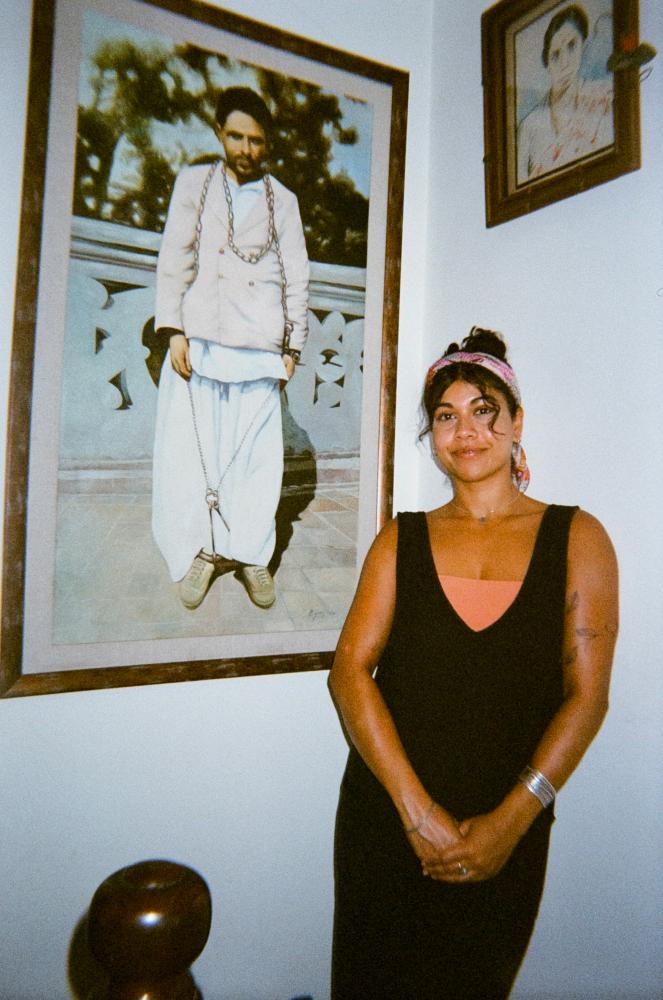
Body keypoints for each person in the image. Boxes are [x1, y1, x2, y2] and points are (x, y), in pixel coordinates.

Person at [329, 327, 618, 998]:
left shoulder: (578, 537)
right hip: (387, 820)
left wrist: (512, 821)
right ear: (431, 436)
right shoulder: (399, 540)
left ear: (517, 422)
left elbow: (587, 697)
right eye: (445, 415)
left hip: (505, 830)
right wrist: (416, 813)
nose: (465, 431)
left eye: (484, 410)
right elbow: (348, 673)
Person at [152, 87, 309, 610]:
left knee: (256, 459)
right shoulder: (195, 184)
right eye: (236, 137)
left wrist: (293, 347)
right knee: (196, 454)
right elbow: (175, 256)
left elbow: (297, 277)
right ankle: (200, 551)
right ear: (220, 133)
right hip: (200, 339)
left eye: (256, 140)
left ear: (268, 143)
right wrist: (174, 330)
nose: (245, 149)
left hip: (260, 347)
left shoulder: (283, 201)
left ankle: (252, 555)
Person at [517, 4, 613, 184]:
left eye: (571, 46)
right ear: (547, 64)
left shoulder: (602, 99)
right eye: (555, 55)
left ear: (583, 46)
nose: (565, 63)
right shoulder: (530, 126)